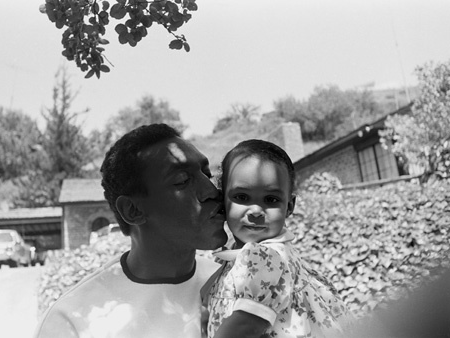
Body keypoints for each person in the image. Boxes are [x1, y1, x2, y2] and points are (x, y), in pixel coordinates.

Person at [34, 124, 228, 338]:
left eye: (207, 175)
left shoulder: (239, 286)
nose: (212, 192)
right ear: (133, 210)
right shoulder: (73, 322)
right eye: (182, 181)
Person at [202, 139, 353, 338]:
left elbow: (243, 328)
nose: (256, 211)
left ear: (290, 206)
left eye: (271, 200)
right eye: (241, 197)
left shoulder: (263, 257)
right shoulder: (243, 257)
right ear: (223, 200)